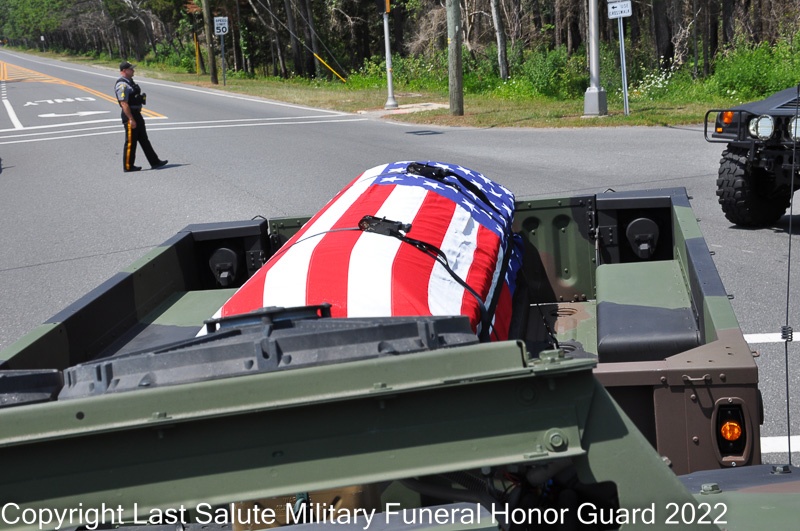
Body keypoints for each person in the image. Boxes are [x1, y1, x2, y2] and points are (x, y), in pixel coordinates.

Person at [115, 61, 167, 172]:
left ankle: (155, 162)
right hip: (130, 115)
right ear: (124, 71)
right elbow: (124, 103)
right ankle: (128, 166)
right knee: (131, 141)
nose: (133, 70)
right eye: (131, 69)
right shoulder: (122, 85)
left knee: (144, 139)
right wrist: (131, 119)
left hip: (136, 114)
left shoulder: (130, 82)